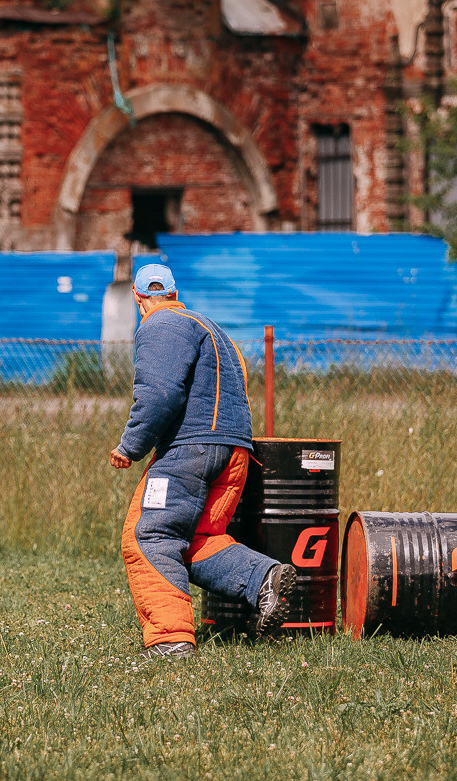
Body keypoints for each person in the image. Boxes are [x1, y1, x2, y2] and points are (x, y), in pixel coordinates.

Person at [110, 263, 296, 659]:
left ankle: (171, 640)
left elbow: (159, 394)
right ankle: (263, 577)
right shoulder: (212, 329)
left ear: (139, 298)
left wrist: (130, 446)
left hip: (190, 451)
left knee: (150, 537)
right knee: (198, 540)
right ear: (175, 294)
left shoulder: (161, 324)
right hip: (235, 454)